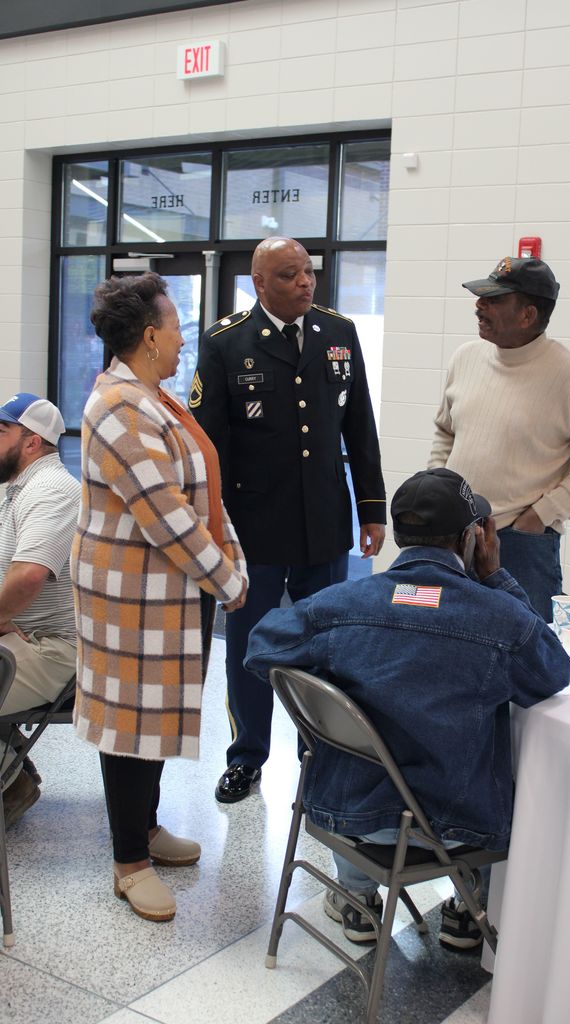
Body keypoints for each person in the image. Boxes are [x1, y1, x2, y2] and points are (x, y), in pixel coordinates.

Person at [245, 467, 570, 948]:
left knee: (365, 752)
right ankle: (467, 907)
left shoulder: (338, 605)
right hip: (456, 828)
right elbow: (553, 671)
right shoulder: (498, 620)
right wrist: (497, 576)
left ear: (399, 534)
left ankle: (358, 898)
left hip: (347, 815)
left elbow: (261, 648)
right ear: (471, 539)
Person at [72, 272, 248, 923]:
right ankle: (128, 864)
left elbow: (204, 488)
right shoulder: (119, 406)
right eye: (176, 326)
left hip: (168, 595)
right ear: (149, 336)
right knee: (128, 726)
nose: (183, 340)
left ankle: (145, 829)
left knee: (153, 722)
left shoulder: (155, 399)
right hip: (131, 601)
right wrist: (228, 580)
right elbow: (165, 513)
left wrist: (231, 563)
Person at [190, 236, 386, 804]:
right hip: (253, 529)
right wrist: (214, 531)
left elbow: (360, 427)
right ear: (259, 284)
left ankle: (320, 754)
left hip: (324, 524)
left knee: (324, 646)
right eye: (289, 275)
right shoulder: (226, 343)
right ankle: (247, 757)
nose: (305, 283)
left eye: (308, 273)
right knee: (251, 648)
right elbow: (208, 447)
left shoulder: (338, 333)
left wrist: (371, 507)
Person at [429, 257, 570, 623]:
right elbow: (445, 430)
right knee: (449, 640)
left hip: (519, 541)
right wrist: (439, 486)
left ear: (527, 315)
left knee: (526, 650)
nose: (479, 306)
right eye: (481, 297)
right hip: (453, 535)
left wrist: (542, 514)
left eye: (494, 300)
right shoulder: (465, 357)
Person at [0, 394, 79, 827]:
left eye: (1, 432)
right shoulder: (23, 489)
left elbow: (28, 577)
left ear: (32, 443)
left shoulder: (52, 491)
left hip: (54, 650)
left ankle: (10, 782)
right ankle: (11, 762)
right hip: (25, 637)